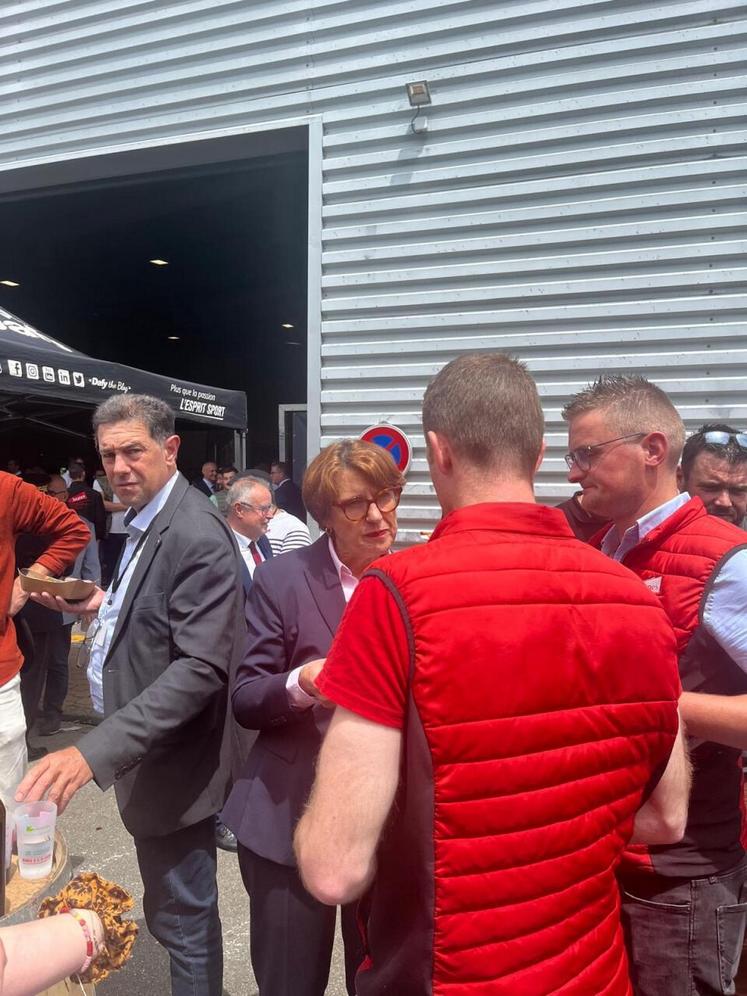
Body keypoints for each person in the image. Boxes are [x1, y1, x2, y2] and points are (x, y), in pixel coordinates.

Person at [295, 355, 689, 996]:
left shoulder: (397, 592)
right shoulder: (637, 598)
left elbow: (333, 868)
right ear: (538, 454)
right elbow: (667, 818)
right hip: (592, 971)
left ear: (438, 451)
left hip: (453, 973)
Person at [16, 394, 246, 996]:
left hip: (173, 763)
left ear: (170, 449)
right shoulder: (149, 516)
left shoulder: (194, 532)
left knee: (184, 920)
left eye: (133, 452)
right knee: (174, 912)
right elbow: (160, 614)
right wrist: (99, 602)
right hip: (153, 758)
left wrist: (91, 752)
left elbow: (200, 668)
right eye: (108, 455)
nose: (118, 468)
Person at [562, 374, 747, 996]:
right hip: (610, 850)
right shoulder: (606, 548)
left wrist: (659, 706)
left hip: (682, 875)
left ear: (652, 449)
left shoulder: (728, 563)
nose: (573, 472)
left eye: (587, 454)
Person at [222, 439, 405, 996]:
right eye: (355, 504)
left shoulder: (416, 575)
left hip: (388, 824)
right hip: (288, 816)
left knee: (379, 980)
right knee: (290, 981)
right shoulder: (283, 579)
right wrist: (301, 683)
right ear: (324, 515)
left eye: (387, 497)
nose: (377, 516)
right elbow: (246, 698)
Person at [0, 470, 89, 805]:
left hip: (1, 673)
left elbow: (73, 529)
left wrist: (27, 581)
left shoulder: (5, 489)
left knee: (9, 807)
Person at [16, 474, 100, 738]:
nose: (56, 499)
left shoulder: (81, 525)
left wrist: (87, 603)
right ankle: (30, 727)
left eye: (60, 494)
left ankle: (52, 715)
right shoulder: (28, 527)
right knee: (33, 671)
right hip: (36, 610)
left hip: (63, 609)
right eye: (51, 494)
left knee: (57, 664)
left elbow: (90, 567)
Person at [677, 423, 747, 527]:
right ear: (679, 479)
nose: (725, 502)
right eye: (711, 488)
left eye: (737, 491)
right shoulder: (655, 532)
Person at [225, 475, 274, 588]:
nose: (270, 515)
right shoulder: (220, 548)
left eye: (270, 507)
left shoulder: (262, 540)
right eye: (263, 509)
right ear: (239, 510)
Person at [93, 468, 128, 588]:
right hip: (111, 530)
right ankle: (108, 591)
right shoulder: (100, 482)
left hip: (132, 529)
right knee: (109, 564)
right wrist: (126, 506)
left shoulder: (134, 478)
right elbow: (102, 504)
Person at [66, 461, 107, 540]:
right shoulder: (95, 495)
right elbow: (100, 520)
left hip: (69, 536)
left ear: (70, 476)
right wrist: (99, 537)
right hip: (90, 537)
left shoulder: (64, 495)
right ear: (83, 474)